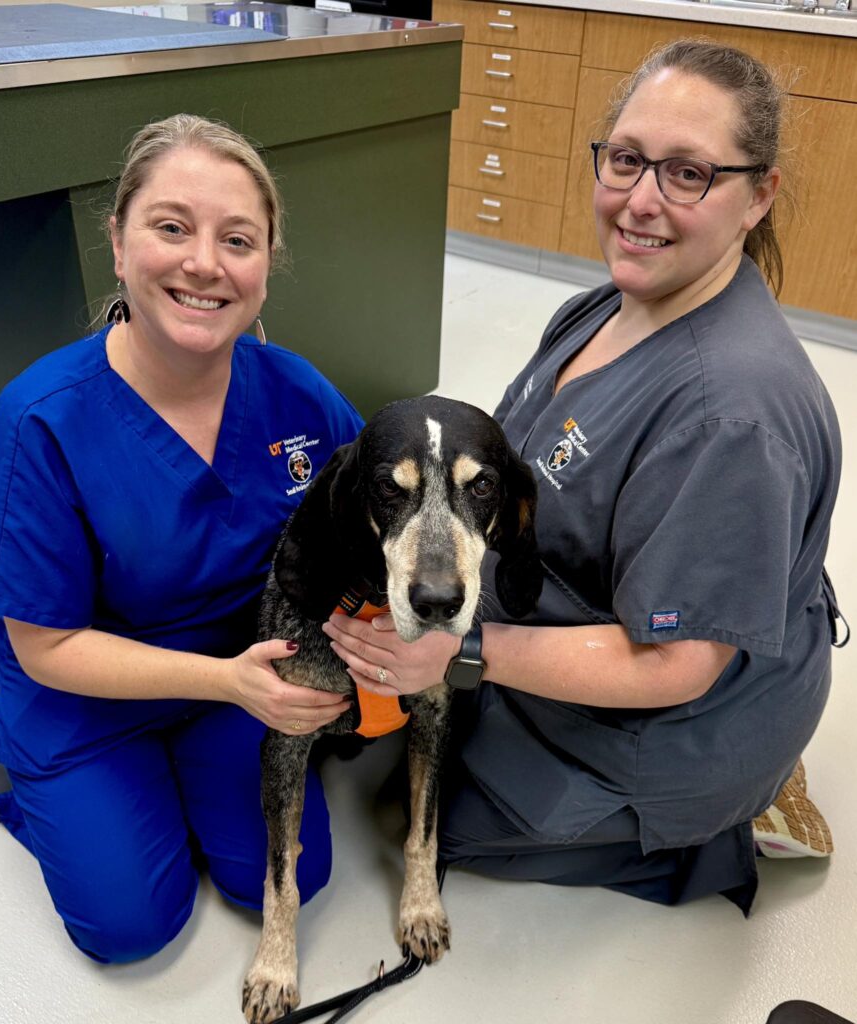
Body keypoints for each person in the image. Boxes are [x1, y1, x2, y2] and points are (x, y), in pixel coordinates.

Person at [324, 41, 845, 914]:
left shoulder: (731, 417)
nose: (640, 201)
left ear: (758, 195)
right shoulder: (608, 303)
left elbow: (677, 664)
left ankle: (730, 816)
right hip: (572, 607)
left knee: (431, 817)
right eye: (628, 159)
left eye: (688, 174)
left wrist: (463, 650)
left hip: (676, 719)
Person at [0, 114, 362, 962]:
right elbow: (44, 646)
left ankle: (172, 785)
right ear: (117, 243)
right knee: (131, 929)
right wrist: (230, 681)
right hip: (82, 694)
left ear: (266, 266)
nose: (203, 263)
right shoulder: (43, 419)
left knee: (291, 881)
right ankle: (53, 792)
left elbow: (375, 515)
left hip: (237, 683)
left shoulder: (298, 394)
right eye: (171, 227)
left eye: (238, 239)